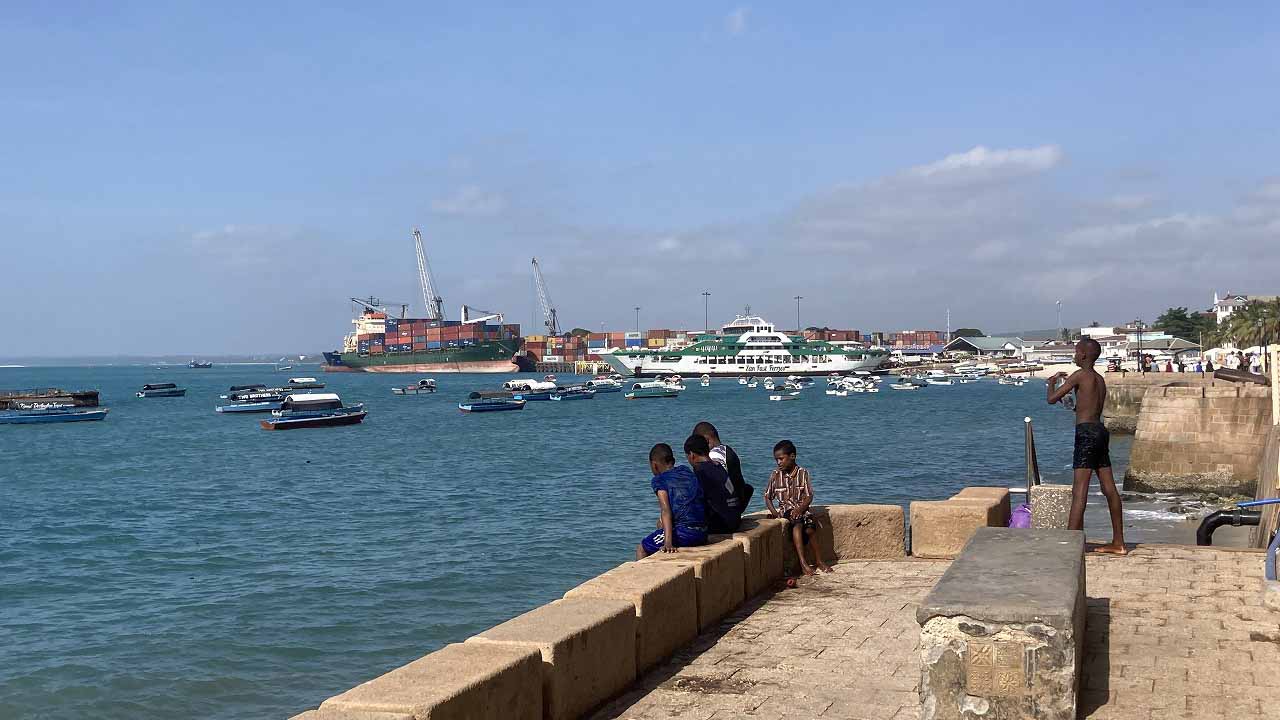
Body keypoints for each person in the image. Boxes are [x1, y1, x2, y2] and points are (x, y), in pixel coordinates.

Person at [1046, 338, 1126, 555]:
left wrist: (1052, 382)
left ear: (1082, 355)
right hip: (1100, 431)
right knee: (1109, 488)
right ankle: (1118, 542)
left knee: (1079, 490)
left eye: (1076, 351)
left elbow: (1052, 399)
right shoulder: (1099, 379)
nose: (1074, 354)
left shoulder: (1080, 375)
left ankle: (1071, 545)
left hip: (1086, 434)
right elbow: (1085, 406)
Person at [765, 439, 832, 575]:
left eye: (781, 459)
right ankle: (803, 563)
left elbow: (809, 496)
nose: (779, 462)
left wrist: (800, 509)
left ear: (792, 456)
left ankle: (819, 560)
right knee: (797, 524)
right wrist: (776, 513)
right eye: (776, 460)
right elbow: (767, 496)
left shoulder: (803, 473)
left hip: (801, 510)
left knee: (810, 530)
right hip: (787, 510)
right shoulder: (775, 475)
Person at [636, 443, 707, 559]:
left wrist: (668, 542)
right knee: (660, 524)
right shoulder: (685, 470)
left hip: (686, 533)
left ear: (654, 465)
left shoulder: (659, 480)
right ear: (672, 461)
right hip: (703, 532)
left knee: (642, 548)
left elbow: (665, 510)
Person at [684, 434, 742, 533]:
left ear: (692, 455)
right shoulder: (718, 466)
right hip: (735, 519)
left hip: (721, 524)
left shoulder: (701, 471)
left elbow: (695, 501)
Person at [692, 420, 755, 512]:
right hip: (735, 507)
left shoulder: (714, 455)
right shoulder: (727, 450)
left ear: (706, 440)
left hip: (723, 516)